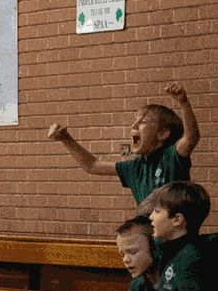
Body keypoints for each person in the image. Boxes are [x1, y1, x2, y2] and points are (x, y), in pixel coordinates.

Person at [46, 83, 201, 205]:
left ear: (162, 134)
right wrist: (67, 139)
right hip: (150, 241)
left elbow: (191, 139)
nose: (134, 126)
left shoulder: (171, 156)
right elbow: (92, 165)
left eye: (143, 122)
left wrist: (184, 103)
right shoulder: (134, 167)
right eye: (134, 122)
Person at [147, 181, 218, 291]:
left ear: (177, 220)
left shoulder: (191, 258)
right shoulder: (170, 251)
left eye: (156, 211)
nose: (151, 216)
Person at [116, 216, 159, 291]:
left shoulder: (170, 282)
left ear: (153, 247)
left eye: (132, 252)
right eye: (123, 254)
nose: (126, 260)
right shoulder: (136, 286)